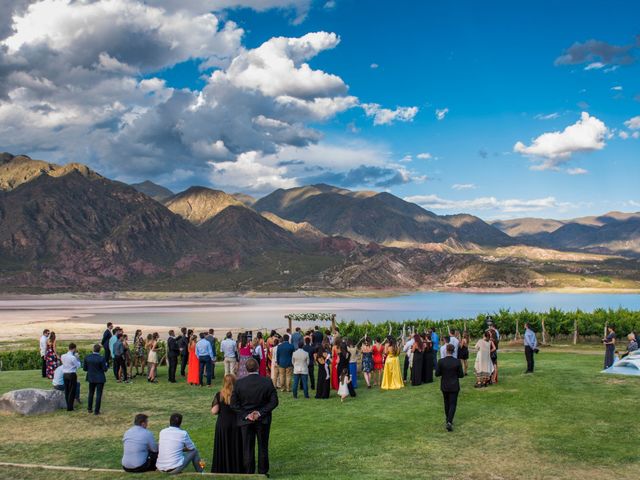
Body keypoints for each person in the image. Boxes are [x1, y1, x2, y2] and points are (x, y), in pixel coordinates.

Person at [230, 358, 279, 475]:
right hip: (258, 419)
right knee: (262, 446)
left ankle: (249, 473)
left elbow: (233, 404)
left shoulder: (240, 383)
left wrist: (257, 413)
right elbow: (274, 402)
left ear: (246, 369)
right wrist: (252, 414)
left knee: (248, 447)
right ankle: (262, 472)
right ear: (257, 367)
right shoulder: (265, 381)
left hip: (253, 419)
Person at [211, 375, 243, 474]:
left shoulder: (219, 395)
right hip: (236, 424)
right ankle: (236, 467)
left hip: (223, 424)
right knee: (235, 445)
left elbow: (214, 411)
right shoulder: (239, 394)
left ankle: (222, 467)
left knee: (223, 445)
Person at [435, 343, 465, 431]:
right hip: (454, 385)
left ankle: (448, 420)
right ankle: (449, 421)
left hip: (444, 385)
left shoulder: (441, 361)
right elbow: (461, 375)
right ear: (453, 351)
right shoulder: (457, 361)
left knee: (446, 402)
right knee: (453, 403)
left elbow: (437, 374)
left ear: (446, 350)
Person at [83, 344, 108, 415]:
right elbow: (105, 369)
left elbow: (85, 368)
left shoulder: (87, 357)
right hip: (100, 378)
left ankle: (89, 408)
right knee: (98, 394)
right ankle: (96, 411)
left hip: (91, 377)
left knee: (91, 393)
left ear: (93, 349)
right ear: (99, 350)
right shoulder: (101, 358)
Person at [60, 343, 81, 411]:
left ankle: (68, 405)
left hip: (65, 374)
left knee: (67, 390)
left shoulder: (63, 356)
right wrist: (77, 358)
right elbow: (78, 366)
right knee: (72, 391)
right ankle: (70, 407)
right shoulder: (73, 357)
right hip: (71, 374)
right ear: (74, 349)